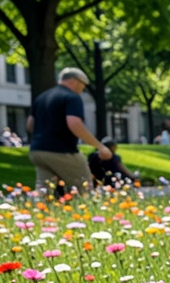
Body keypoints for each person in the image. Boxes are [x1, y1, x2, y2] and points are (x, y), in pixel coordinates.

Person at [26, 68, 112, 197]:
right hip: (61, 151)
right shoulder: (72, 97)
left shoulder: (42, 97)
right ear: (75, 81)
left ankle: (38, 215)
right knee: (83, 188)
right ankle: (88, 214)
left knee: (43, 192)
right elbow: (74, 124)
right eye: (83, 84)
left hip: (37, 151)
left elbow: (30, 125)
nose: (83, 88)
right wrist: (100, 146)